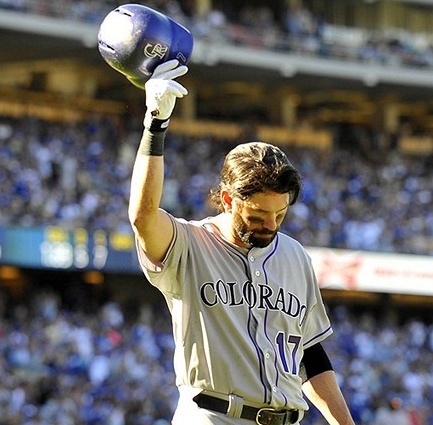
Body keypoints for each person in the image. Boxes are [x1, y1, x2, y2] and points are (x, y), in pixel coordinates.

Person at [128, 59, 355, 425]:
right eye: (258, 215)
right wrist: (155, 126)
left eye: (279, 215)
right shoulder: (190, 244)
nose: (270, 225)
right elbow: (143, 217)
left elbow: (310, 354)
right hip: (213, 415)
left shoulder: (294, 256)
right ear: (229, 199)